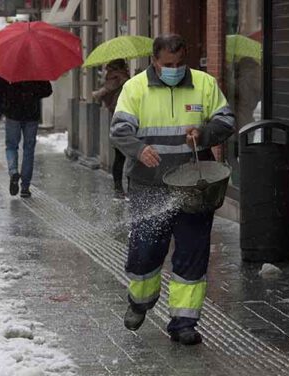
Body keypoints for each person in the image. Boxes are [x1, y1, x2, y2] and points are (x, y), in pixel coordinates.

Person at [110, 34, 235, 345]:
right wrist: (138, 149)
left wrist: (204, 133)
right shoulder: (135, 88)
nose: (174, 69)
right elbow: (119, 130)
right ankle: (140, 300)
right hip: (148, 184)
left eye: (180, 64)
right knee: (145, 252)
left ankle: (183, 323)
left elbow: (226, 121)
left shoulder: (204, 84)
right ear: (155, 61)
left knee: (192, 254)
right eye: (168, 65)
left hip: (194, 187)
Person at [0, 78, 52, 198]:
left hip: (13, 114)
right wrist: (33, 94)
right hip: (32, 114)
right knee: (29, 150)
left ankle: (13, 171)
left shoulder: (8, 71)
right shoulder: (36, 71)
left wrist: (5, 108)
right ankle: (25, 187)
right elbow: (47, 90)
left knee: (11, 146)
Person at [92, 59, 130, 199]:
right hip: (124, 118)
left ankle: (118, 188)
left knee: (120, 157)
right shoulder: (117, 78)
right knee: (126, 157)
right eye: (124, 66)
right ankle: (122, 189)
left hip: (118, 119)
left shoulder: (112, 78)